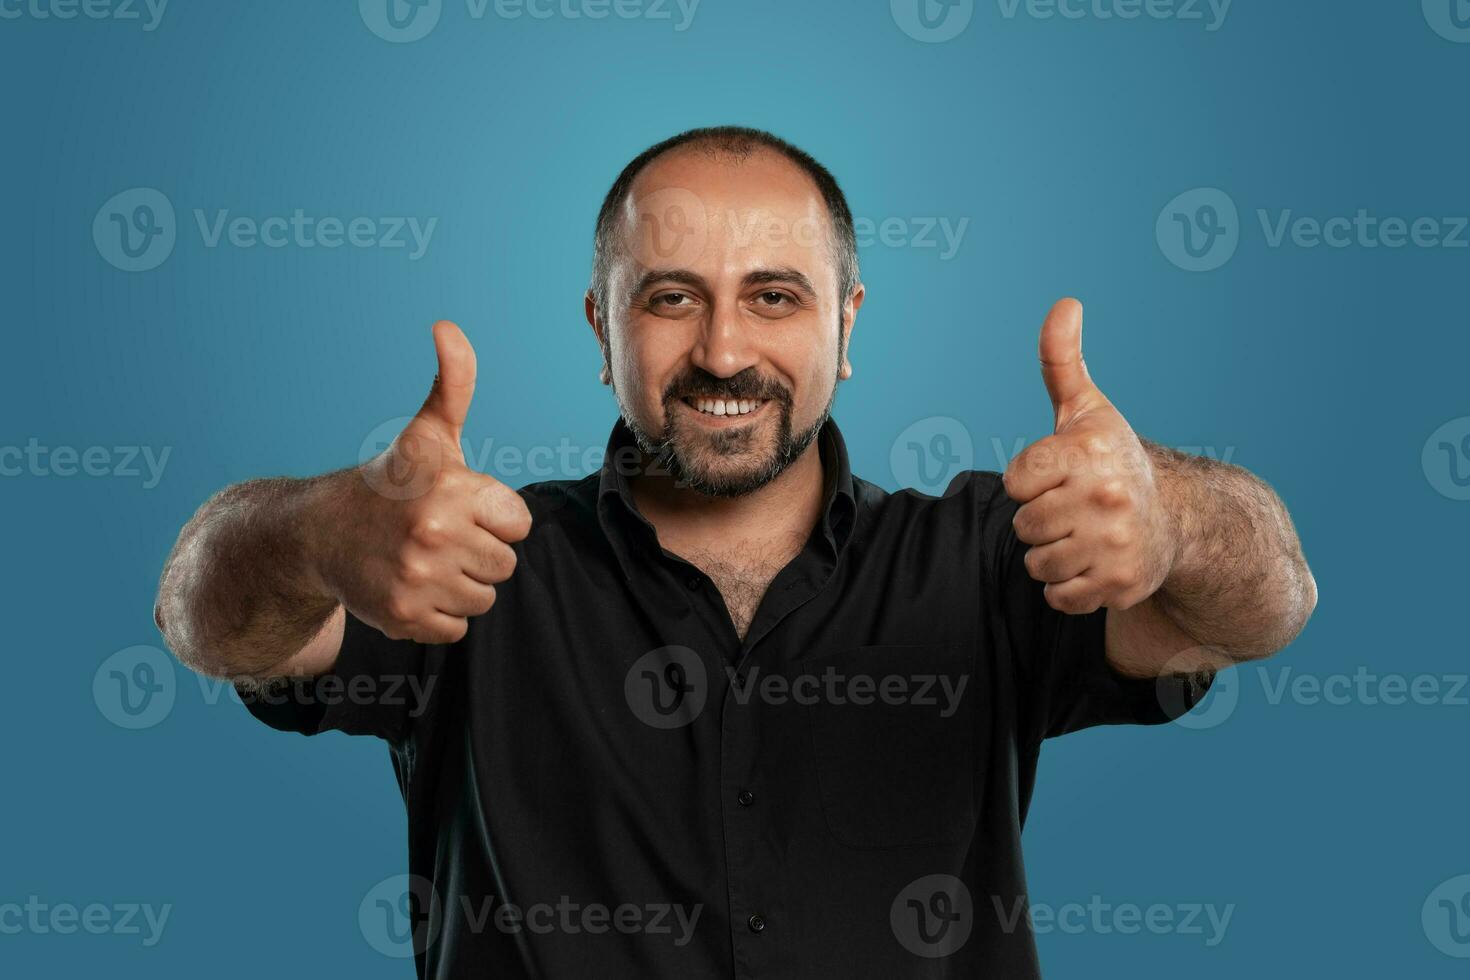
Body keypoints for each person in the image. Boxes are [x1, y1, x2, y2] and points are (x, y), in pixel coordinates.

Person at [154, 126, 1316, 978]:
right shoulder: (462, 563)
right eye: (669, 298)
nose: (722, 350)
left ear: (846, 326)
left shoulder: (987, 558)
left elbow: (1262, 606)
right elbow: (204, 622)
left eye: (772, 296)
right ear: (602, 328)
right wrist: (315, 530)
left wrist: (1171, 517)